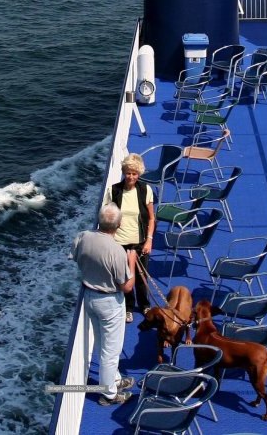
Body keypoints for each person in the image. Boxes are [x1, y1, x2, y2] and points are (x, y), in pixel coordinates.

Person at [70, 204, 138, 405]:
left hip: (89, 297)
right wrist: (131, 261)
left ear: (99, 221)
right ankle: (109, 394)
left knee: (101, 342)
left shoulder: (83, 236)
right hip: (109, 302)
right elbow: (127, 286)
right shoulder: (116, 251)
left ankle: (115, 380)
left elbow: (74, 257)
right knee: (112, 351)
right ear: (118, 224)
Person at [103, 153, 154, 321]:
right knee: (124, 277)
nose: (131, 176)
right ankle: (128, 308)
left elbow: (152, 218)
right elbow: (107, 217)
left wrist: (149, 240)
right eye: (128, 172)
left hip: (140, 242)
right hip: (119, 243)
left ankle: (145, 305)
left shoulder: (145, 190)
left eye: (134, 173)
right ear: (124, 172)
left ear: (138, 174)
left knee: (141, 276)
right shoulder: (113, 190)